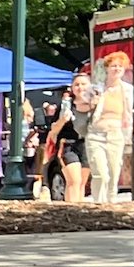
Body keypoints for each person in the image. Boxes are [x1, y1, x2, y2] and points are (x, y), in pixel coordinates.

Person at [88, 55, 134, 204]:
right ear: (107, 68)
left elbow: (130, 112)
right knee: (100, 173)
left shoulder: (128, 90)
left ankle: (111, 202)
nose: (116, 69)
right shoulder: (96, 88)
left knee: (114, 171)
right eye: (113, 66)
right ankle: (98, 203)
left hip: (116, 134)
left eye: (120, 66)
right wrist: (91, 103)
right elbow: (81, 105)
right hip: (96, 134)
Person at [46, 70, 95, 204]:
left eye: (83, 84)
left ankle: (79, 212)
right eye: (77, 85)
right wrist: (63, 119)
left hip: (86, 144)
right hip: (68, 144)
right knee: (74, 180)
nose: (80, 87)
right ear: (72, 88)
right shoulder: (66, 106)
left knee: (82, 183)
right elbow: (54, 129)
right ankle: (72, 210)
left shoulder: (95, 105)